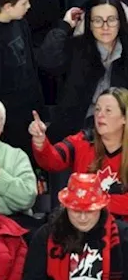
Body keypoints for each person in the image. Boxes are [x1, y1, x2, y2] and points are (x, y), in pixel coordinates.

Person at [43, 0, 128, 142]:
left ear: (121, 22)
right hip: (75, 131)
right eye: (97, 20)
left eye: (112, 20)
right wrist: (65, 26)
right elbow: (48, 62)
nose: (105, 27)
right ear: (89, 24)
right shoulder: (76, 48)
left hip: (119, 134)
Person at [32, 88, 128, 218]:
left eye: (108, 110)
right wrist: (40, 142)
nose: (100, 115)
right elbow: (52, 160)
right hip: (81, 223)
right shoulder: (82, 141)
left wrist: (91, 201)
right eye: (98, 109)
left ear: (124, 118)